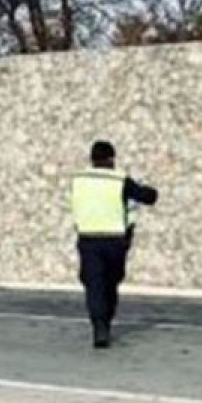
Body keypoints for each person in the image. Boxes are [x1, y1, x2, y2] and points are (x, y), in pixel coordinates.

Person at [69, 141, 158, 348]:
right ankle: (105, 320)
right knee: (110, 282)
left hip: (88, 237)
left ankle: (100, 326)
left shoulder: (79, 180)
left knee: (94, 283)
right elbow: (145, 196)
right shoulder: (118, 179)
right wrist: (153, 192)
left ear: (92, 159)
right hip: (114, 239)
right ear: (111, 159)